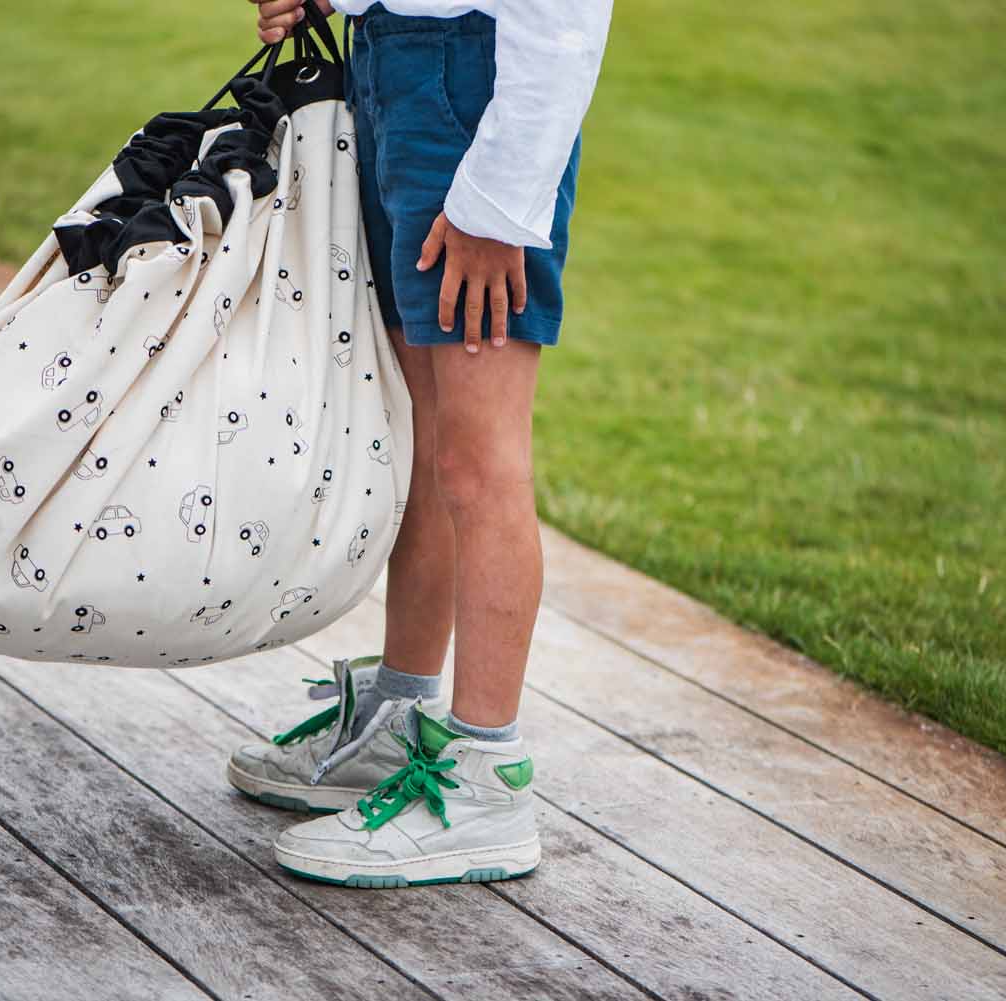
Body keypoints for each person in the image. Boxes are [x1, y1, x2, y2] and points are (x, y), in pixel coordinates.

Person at [228, 0, 612, 888]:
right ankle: (405, 713)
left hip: (480, 99)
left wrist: (499, 202)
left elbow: (565, 16)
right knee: (426, 441)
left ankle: (488, 778)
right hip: (392, 69)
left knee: (480, 465)